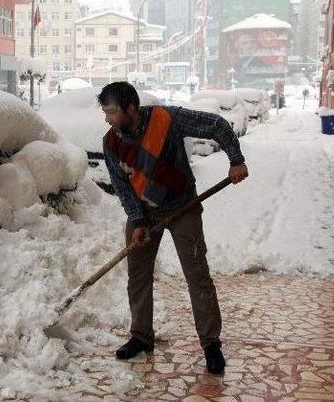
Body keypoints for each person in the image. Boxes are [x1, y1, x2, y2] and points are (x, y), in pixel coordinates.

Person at [99, 82, 249, 374]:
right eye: (105, 112)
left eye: (112, 112)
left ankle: (211, 344)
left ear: (131, 107)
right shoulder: (111, 142)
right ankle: (141, 336)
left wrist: (236, 160)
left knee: (197, 276)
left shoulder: (167, 119)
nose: (107, 119)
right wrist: (138, 221)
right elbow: (122, 187)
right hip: (143, 210)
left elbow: (216, 125)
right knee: (138, 276)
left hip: (183, 208)